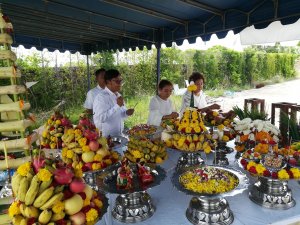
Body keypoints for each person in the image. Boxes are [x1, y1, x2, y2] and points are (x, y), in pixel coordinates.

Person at [93, 69, 134, 137]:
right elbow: (102, 118)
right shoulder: (101, 98)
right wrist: (117, 106)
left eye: (120, 81)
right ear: (108, 81)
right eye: (117, 81)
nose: (120, 84)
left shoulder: (118, 95)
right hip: (106, 138)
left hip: (119, 135)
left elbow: (120, 115)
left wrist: (127, 113)